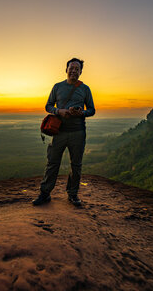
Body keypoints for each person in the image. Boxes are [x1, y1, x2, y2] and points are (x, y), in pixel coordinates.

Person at [33, 58, 95, 207]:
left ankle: (72, 195)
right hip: (59, 132)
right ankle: (45, 193)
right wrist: (59, 111)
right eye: (71, 68)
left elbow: (92, 110)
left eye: (77, 69)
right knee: (53, 163)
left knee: (76, 165)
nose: (74, 71)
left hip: (78, 132)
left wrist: (81, 113)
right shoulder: (57, 87)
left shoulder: (85, 89)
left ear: (81, 72)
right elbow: (48, 106)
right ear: (66, 70)